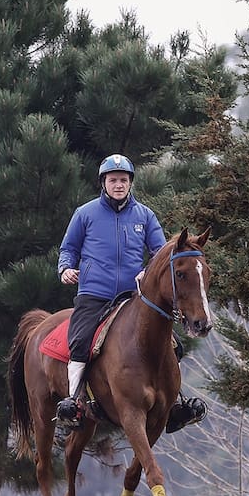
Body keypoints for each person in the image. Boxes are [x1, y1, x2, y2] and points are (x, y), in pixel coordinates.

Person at [56, 154, 165, 425]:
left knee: (171, 344)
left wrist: (148, 270)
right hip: (94, 293)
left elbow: (161, 253)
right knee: (80, 341)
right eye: (113, 180)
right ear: (103, 183)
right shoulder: (85, 213)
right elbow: (69, 248)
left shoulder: (145, 215)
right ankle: (73, 401)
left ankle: (174, 402)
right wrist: (65, 268)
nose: (119, 185)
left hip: (133, 296)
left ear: (130, 183)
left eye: (123, 180)